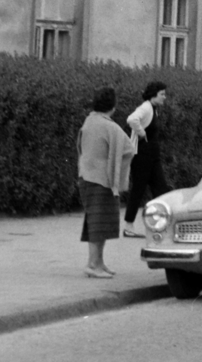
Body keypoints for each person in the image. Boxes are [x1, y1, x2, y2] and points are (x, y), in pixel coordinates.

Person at [77, 86, 134, 278]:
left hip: (86, 176)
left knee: (96, 222)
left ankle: (98, 263)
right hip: (102, 180)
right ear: (113, 106)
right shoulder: (111, 127)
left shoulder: (89, 121)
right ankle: (93, 265)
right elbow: (129, 149)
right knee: (99, 224)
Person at [122, 81, 169, 238]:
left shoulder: (154, 109)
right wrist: (141, 133)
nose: (164, 97)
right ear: (153, 95)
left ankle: (163, 225)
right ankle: (129, 227)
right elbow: (131, 119)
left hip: (153, 156)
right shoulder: (146, 107)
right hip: (142, 156)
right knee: (138, 190)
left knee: (161, 190)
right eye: (162, 94)